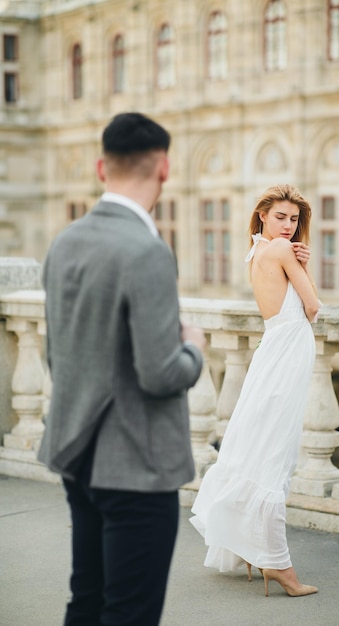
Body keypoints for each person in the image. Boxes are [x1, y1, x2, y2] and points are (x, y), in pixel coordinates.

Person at [38, 112, 206, 626]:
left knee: (85, 601)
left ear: (100, 167)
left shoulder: (64, 241)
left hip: (76, 453)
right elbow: (159, 373)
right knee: (129, 613)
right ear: (164, 167)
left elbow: (57, 353)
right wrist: (194, 351)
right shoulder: (148, 251)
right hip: (136, 465)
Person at [190, 184, 320, 598]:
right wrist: (305, 262)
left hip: (273, 348)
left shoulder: (256, 251)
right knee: (275, 451)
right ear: (262, 214)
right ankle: (278, 565)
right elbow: (313, 306)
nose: (288, 225)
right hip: (288, 349)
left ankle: (253, 552)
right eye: (280, 217)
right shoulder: (282, 251)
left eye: (294, 219)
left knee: (258, 443)